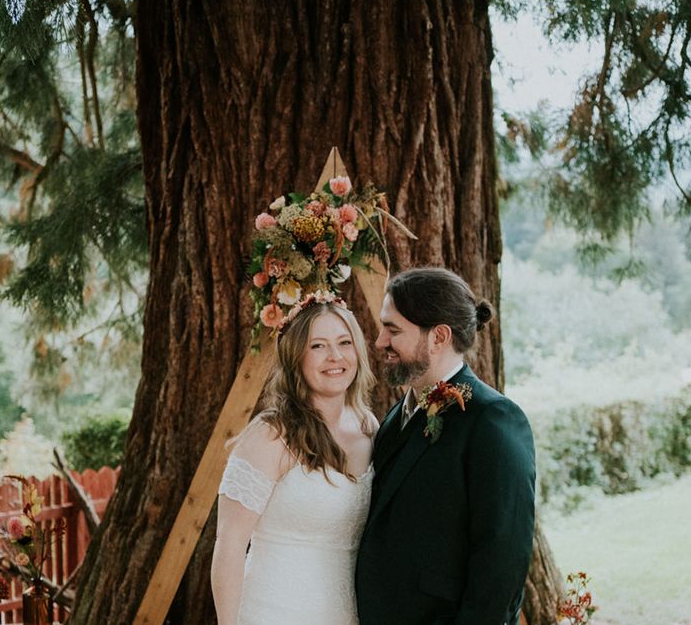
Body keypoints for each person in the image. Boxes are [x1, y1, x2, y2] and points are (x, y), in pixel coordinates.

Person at [355, 267, 536, 625]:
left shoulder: (493, 420)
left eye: (393, 330)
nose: (379, 342)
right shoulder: (396, 416)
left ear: (438, 337)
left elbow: (502, 565)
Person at [211, 291, 378, 625]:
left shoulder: (368, 426)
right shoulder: (270, 435)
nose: (335, 356)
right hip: (272, 613)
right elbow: (229, 546)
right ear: (296, 356)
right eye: (318, 346)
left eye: (344, 343)